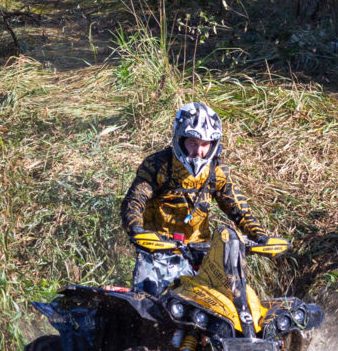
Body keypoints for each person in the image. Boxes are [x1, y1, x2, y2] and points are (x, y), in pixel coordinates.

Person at [121, 102, 285, 295]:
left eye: (205, 144)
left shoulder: (217, 171)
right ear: (180, 139)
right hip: (158, 252)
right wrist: (137, 231)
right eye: (193, 142)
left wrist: (260, 237)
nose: (199, 151)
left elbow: (239, 210)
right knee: (149, 306)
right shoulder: (157, 165)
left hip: (203, 254)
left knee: (229, 300)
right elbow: (133, 202)